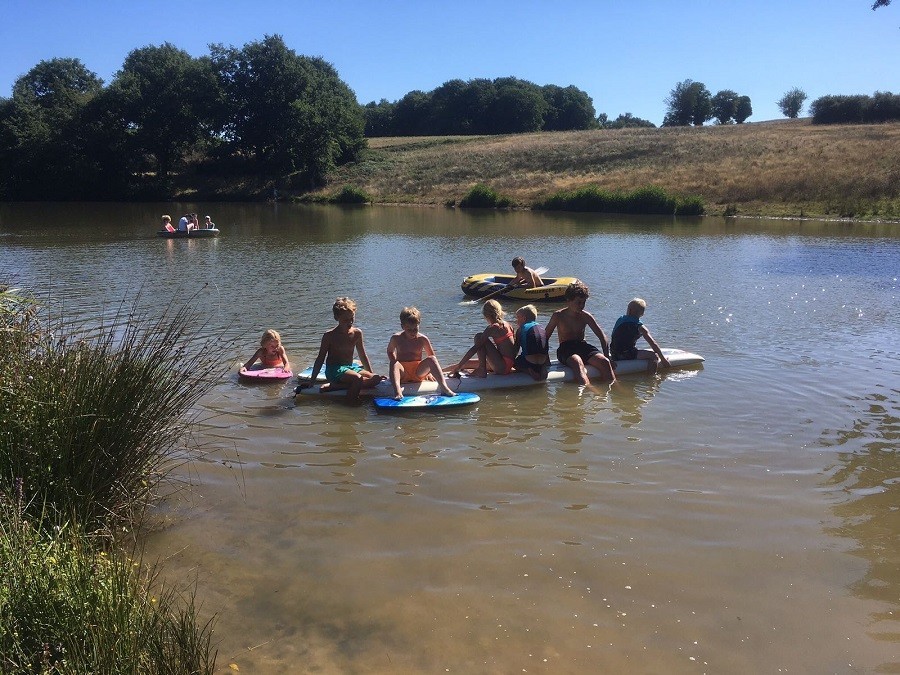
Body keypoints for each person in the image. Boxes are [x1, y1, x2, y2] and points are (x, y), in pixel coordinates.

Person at [301, 297, 383, 403]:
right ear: (336, 318)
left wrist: (371, 374)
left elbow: (362, 355)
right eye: (345, 320)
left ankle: (335, 386)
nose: (349, 322)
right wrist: (312, 381)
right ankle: (351, 403)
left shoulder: (357, 333)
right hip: (334, 370)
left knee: (376, 379)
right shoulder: (329, 335)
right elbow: (320, 358)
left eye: (352, 319)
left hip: (350, 368)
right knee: (357, 379)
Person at [545, 281, 616, 385]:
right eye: (578, 302)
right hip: (565, 349)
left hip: (582, 346)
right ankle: (590, 389)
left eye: (584, 302)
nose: (581, 306)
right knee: (577, 361)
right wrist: (546, 360)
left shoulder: (586, 316)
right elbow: (544, 338)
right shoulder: (558, 316)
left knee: (604, 362)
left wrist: (607, 357)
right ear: (569, 300)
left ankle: (615, 391)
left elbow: (602, 337)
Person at [387, 306, 457, 400]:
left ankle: (444, 388)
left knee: (432, 359)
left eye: (415, 329)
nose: (413, 332)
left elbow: (431, 356)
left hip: (418, 372)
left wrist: (429, 373)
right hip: (403, 371)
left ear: (418, 325)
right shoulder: (396, 338)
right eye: (409, 330)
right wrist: (394, 369)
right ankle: (398, 392)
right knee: (394, 363)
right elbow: (390, 351)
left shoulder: (423, 339)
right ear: (402, 326)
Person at [445, 299, 517, 378]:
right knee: (469, 363)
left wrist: (458, 367)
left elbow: (475, 348)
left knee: (478, 336)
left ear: (486, 315)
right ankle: (442, 370)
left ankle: (481, 370)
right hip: (509, 364)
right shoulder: (508, 325)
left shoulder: (493, 327)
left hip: (502, 368)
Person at [610, 298, 671, 375]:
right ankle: (651, 378)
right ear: (642, 314)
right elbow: (653, 344)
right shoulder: (640, 327)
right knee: (653, 356)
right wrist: (663, 359)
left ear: (628, 310)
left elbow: (614, 335)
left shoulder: (620, 319)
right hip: (627, 354)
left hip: (614, 353)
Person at [512, 304, 549, 380]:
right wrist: (546, 363)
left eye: (518, 318)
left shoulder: (520, 329)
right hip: (543, 362)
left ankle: (529, 371)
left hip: (529, 363)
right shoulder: (541, 327)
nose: (516, 321)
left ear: (524, 318)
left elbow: (516, 349)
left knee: (515, 363)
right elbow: (545, 348)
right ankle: (543, 368)